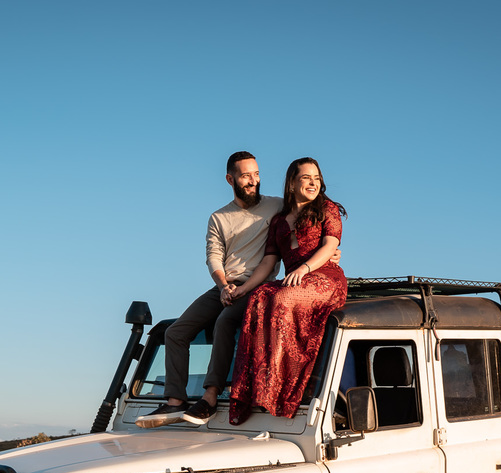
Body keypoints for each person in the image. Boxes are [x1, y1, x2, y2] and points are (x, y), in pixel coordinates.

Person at [136, 151, 282, 428]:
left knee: (225, 321)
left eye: (256, 174)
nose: (253, 181)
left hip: (258, 286)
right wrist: (224, 285)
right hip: (225, 285)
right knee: (175, 332)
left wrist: (332, 250)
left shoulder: (277, 206)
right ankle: (175, 401)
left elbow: (306, 222)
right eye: (245, 175)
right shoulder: (219, 217)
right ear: (230, 179)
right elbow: (214, 255)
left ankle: (210, 397)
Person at [228, 157, 348, 425]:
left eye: (316, 178)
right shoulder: (279, 221)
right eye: (306, 178)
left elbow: (330, 246)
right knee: (259, 297)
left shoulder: (328, 209)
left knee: (281, 297)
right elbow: (269, 262)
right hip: (297, 279)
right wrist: (243, 289)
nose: (313, 183)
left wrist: (304, 269)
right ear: (292, 183)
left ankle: (279, 387)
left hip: (325, 278)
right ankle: (254, 387)